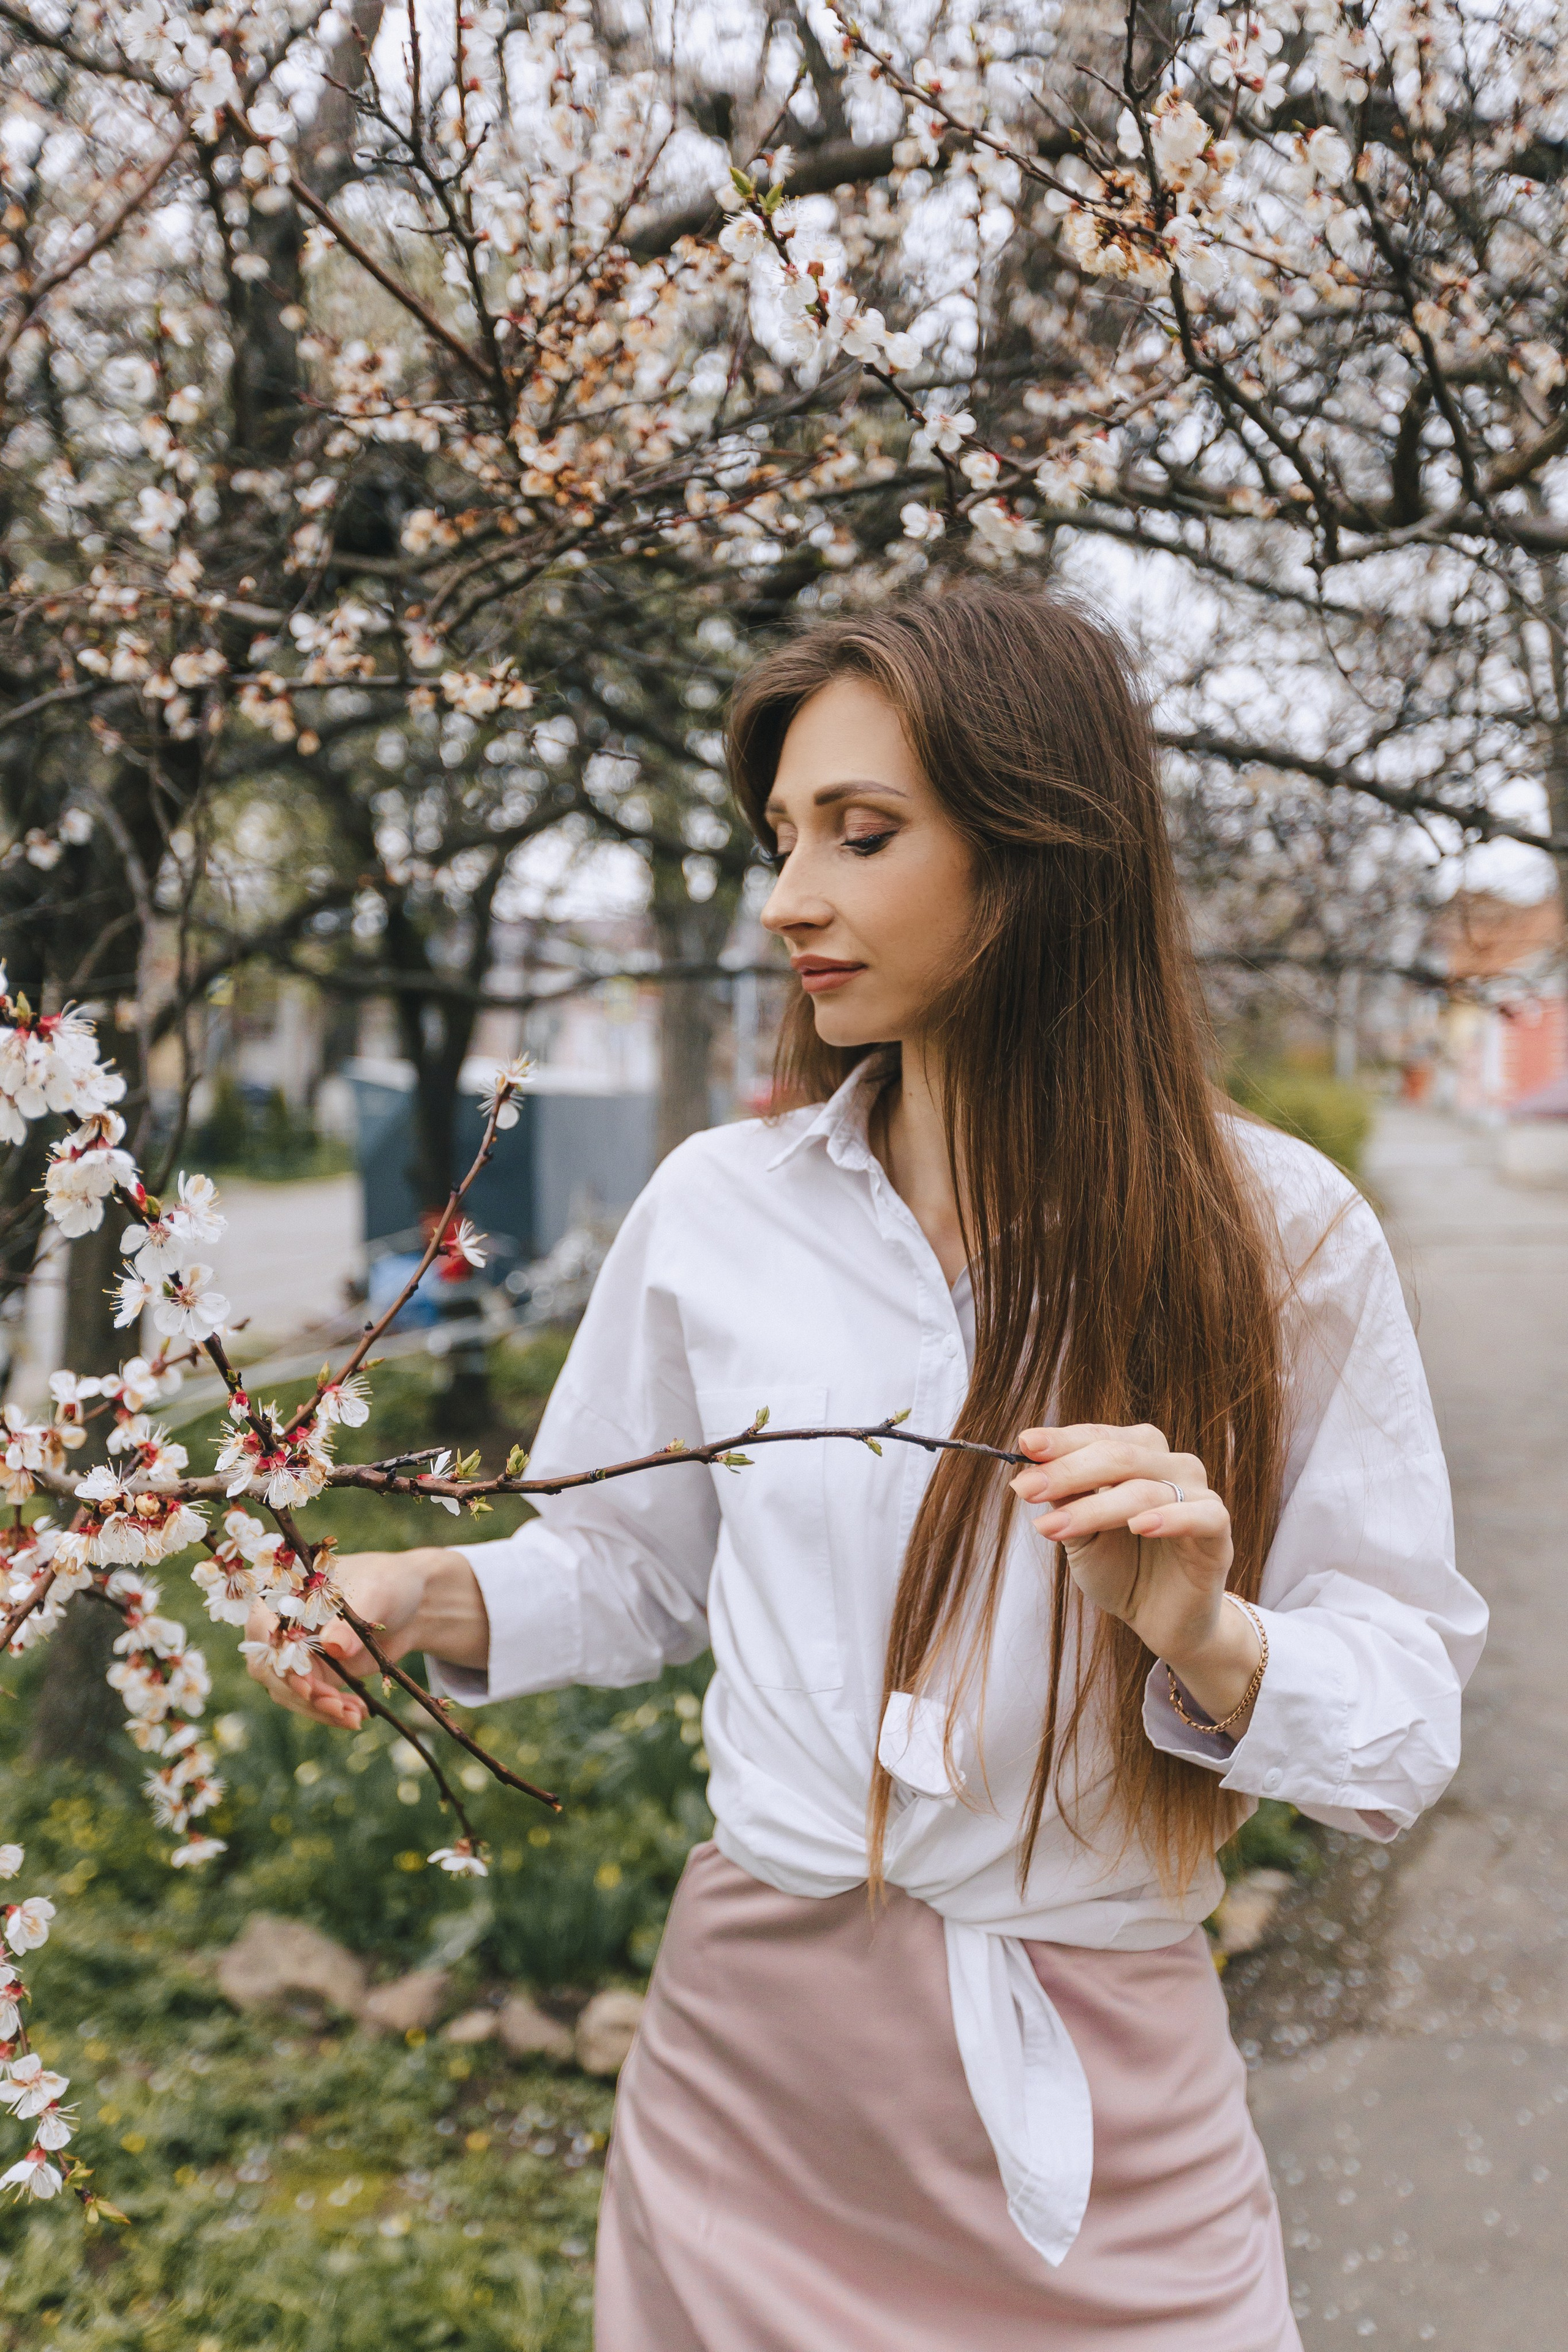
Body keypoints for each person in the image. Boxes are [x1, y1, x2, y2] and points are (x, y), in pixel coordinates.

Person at [249, 582, 1486, 2351]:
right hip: (756, 2074)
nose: (789, 902)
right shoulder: (715, 1212)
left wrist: (1212, 1638)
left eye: (862, 833)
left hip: (1101, 2092)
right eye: (780, 838)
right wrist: (421, 1593)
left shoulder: (1273, 1235)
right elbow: (632, 1568)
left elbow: (1405, 1728)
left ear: (1037, 848)